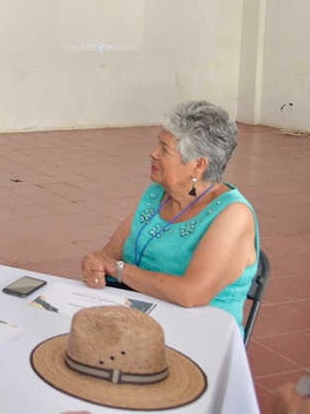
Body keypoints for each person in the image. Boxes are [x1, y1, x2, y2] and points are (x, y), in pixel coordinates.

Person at [81, 100, 259, 333]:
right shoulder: (157, 194)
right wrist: (94, 264)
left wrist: (119, 270)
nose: (153, 153)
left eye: (165, 149)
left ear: (198, 165)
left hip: (199, 333)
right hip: (137, 322)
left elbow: (192, 293)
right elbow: (107, 254)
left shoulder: (232, 215)